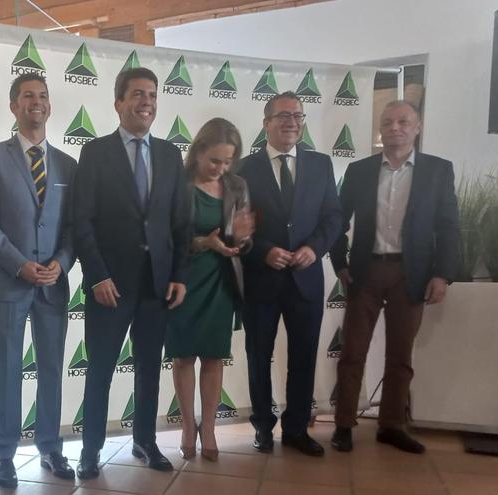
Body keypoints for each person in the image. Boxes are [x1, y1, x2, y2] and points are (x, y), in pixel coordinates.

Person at [72, 67, 190, 478]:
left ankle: (145, 441)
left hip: (157, 284)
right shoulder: (95, 152)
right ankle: (90, 450)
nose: (147, 102)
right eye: (138, 94)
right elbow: (81, 221)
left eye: (153, 95)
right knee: (100, 369)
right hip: (110, 285)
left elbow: (180, 222)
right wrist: (98, 276)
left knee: (148, 369)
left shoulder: (169, 154)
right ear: (119, 102)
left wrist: (178, 275)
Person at [329, 100, 459, 454]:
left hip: (412, 273)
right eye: (387, 122)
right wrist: (339, 262)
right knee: (352, 352)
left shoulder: (437, 171)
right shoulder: (360, 170)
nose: (395, 128)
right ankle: (343, 424)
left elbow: (448, 227)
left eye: (403, 121)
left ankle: (391, 425)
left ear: (417, 127)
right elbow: (337, 221)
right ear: (380, 130)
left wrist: (443, 275)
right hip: (365, 271)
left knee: (400, 355)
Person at [0, 73, 77, 487]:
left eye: (43, 96)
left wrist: (62, 263)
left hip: (53, 285)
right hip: (9, 283)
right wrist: (18, 264)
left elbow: (73, 227)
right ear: (14, 106)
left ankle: (51, 448)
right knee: (6, 370)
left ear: (49, 106)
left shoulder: (69, 165)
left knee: (51, 368)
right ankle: (4, 455)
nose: (37, 102)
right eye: (28, 96)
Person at [237, 91, 341, 457]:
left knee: (303, 357)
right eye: (283, 115)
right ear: (266, 122)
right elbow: (237, 226)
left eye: (298, 115)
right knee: (258, 355)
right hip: (261, 279)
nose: (291, 122)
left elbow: (333, 217)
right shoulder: (244, 169)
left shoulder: (321, 164)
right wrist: (264, 251)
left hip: (306, 278)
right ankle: (263, 427)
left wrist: (315, 247)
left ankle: (297, 428)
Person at [166, 118, 254, 462]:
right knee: (184, 355)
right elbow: (168, 238)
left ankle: (210, 428)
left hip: (221, 280)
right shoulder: (179, 184)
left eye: (228, 161)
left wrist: (241, 241)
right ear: (198, 151)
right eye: (214, 160)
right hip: (184, 278)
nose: (221, 168)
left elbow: (242, 239)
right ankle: (188, 426)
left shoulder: (237, 185)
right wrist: (206, 243)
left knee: (214, 356)